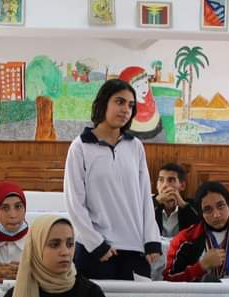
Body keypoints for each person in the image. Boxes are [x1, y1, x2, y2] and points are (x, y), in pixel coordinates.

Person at [64, 78, 161, 280]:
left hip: (134, 250)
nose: (126, 109)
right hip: (95, 252)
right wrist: (96, 244)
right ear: (103, 103)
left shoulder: (135, 146)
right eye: (119, 102)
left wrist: (151, 240)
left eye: (131, 105)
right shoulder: (80, 147)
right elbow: (75, 204)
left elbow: (145, 197)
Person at [164, 181, 229, 282]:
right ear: (201, 213)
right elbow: (169, 279)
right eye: (208, 209)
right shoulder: (185, 239)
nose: (216, 215)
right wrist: (201, 266)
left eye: (221, 206)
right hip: (200, 292)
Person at [153, 162, 199, 238]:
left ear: (182, 186)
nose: (164, 185)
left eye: (171, 180)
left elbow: (199, 228)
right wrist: (156, 202)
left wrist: (183, 205)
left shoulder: (192, 206)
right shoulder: (149, 203)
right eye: (161, 180)